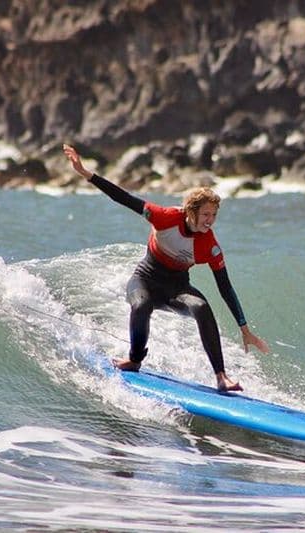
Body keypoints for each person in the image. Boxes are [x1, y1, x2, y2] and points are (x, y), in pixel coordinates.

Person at [63, 144, 269, 392]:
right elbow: (124, 198)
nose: (210, 220)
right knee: (141, 305)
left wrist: (244, 329)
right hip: (145, 279)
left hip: (177, 288)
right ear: (190, 212)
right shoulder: (165, 217)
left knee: (202, 308)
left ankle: (221, 377)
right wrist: (85, 173)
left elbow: (225, 286)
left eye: (214, 215)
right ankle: (134, 360)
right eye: (205, 214)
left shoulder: (210, 245)